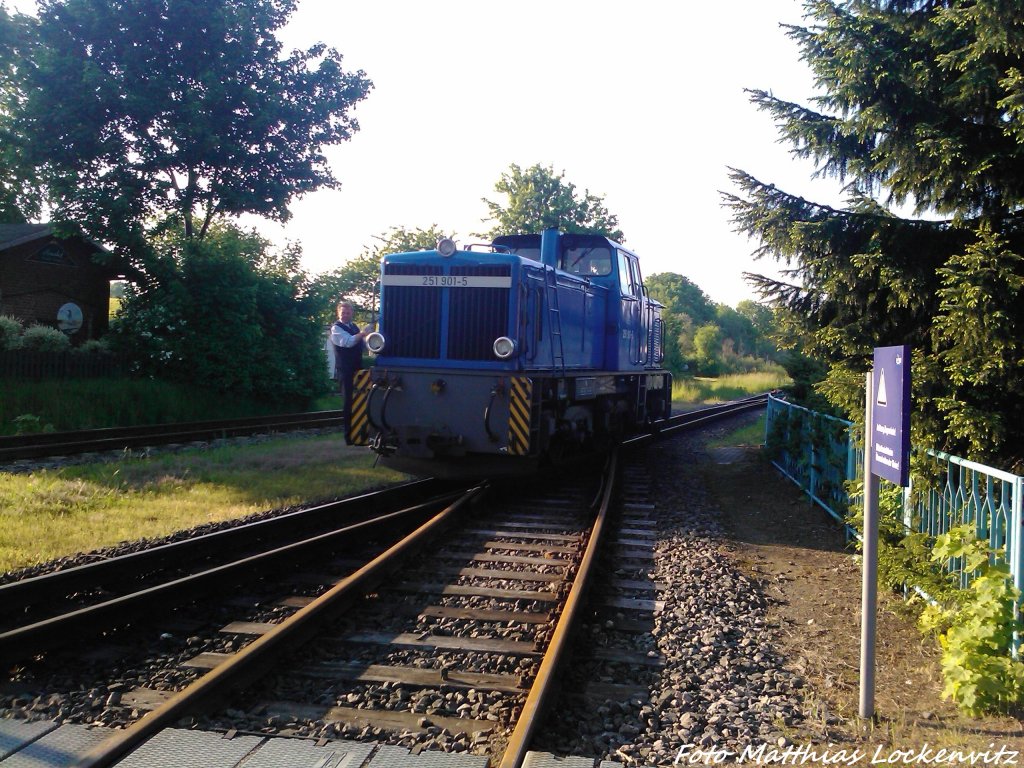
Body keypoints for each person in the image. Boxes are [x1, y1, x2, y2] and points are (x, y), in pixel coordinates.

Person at [330, 300, 370, 445]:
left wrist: (367, 335)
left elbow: (362, 344)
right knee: (348, 403)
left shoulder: (353, 326)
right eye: (343, 312)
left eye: (348, 312)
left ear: (352, 313)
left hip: (357, 369)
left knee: (360, 400)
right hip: (345, 371)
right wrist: (362, 333)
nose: (345, 315)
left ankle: (360, 434)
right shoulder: (336, 328)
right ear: (338, 313)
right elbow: (348, 342)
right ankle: (349, 437)